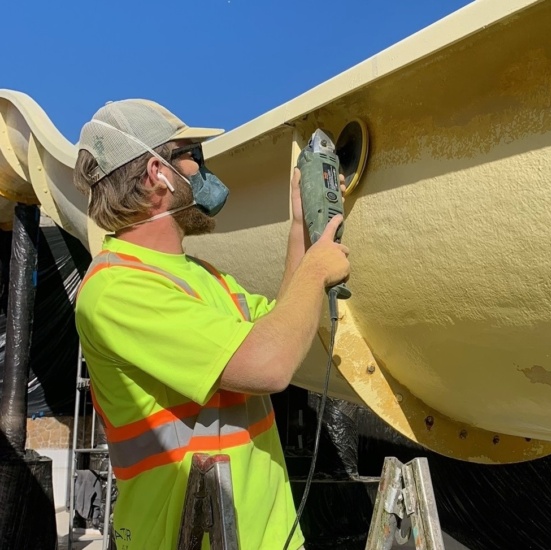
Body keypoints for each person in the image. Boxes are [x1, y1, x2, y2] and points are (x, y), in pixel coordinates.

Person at [72, 98, 350, 549]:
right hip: (186, 540)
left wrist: (302, 224)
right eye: (191, 157)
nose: (202, 172)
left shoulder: (203, 276)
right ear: (155, 175)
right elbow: (270, 364)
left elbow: (282, 325)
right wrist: (318, 270)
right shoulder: (115, 291)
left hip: (269, 536)